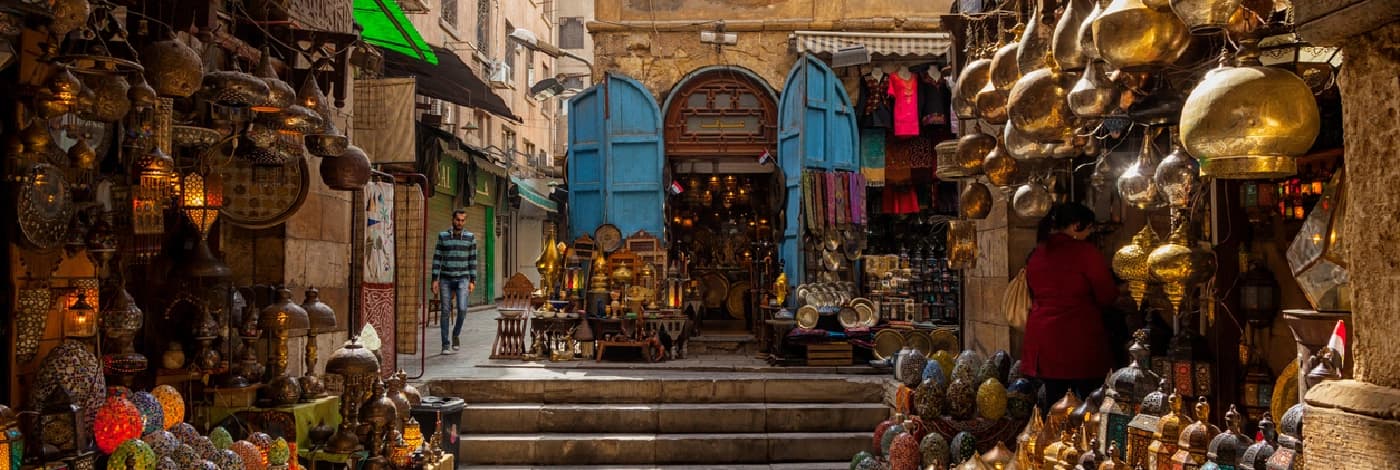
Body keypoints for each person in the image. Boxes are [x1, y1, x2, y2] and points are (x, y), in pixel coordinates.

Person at [1021, 202, 1118, 412]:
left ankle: (1053, 443)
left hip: (1044, 343)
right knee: (1091, 406)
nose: (1090, 233)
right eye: (1089, 228)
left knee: (1054, 406)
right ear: (1076, 225)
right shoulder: (1085, 253)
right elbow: (1107, 295)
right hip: (1078, 341)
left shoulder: (1038, 253)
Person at [432, 209, 478, 355]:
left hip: (463, 278)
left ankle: (456, 334)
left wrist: (473, 280)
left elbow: (473, 260)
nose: (460, 223)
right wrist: (434, 279)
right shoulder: (443, 236)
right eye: (458, 220)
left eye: (463, 220)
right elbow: (437, 258)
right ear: (452, 220)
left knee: (463, 309)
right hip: (445, 278)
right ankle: (445, 344)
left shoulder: (470, 237)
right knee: (445, 311)